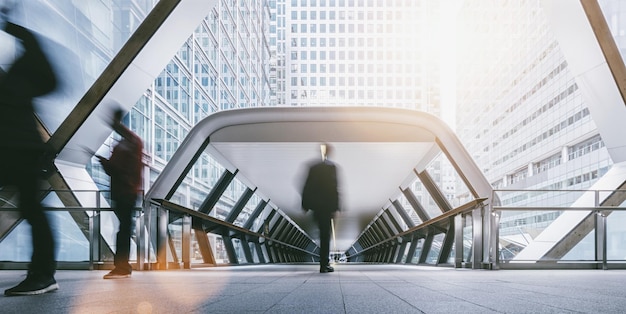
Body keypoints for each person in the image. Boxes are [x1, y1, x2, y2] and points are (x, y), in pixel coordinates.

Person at [0, 19, 59, 295]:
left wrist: (19, 31)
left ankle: (43, 274)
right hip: (17, 149)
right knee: (32, 209)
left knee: (32, 210)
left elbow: (48, 76)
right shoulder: (14, 80)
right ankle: (43, 273)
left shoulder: (17, 79)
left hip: (19, 149)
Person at [98, 109, 143, 279]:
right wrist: (106, 164)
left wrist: (107, 164)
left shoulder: (130, 142)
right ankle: (122, 266)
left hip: (126, 191)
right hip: (122, 191)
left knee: (123, 229)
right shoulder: (126, 144)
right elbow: (116, 169)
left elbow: (119, 170)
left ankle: (122, 267)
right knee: (123, 229)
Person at [301, 143, 340, 273]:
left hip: (316, 207)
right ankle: (324, 264)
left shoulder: (313, 167)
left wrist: (305, 205)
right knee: (325, 235)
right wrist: (337, 206)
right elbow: (335, 187)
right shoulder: (332, 167)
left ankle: (323, 262)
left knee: (321, 233)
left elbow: (306, 186)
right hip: (327, 207)